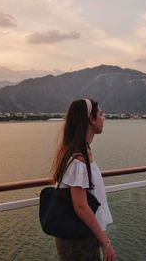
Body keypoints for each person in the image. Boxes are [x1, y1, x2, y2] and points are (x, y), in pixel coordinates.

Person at [51, 98, 116, 261]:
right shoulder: (78, 158)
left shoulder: (82, 151)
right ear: (91, 119)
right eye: (100, 114)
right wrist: (105, 241)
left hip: (81, 235)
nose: (103, 118)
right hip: (78, 241)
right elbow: (80, 206)